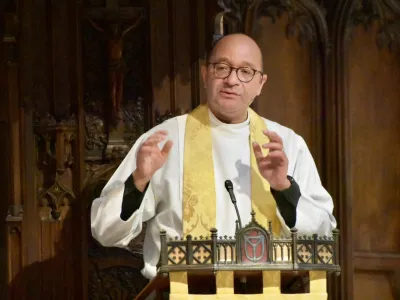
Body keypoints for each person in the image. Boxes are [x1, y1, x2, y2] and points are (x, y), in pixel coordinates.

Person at [90, 33, 337, 280]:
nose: (232, 80)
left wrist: (284, 188)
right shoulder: (164, 140)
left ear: (261, 83)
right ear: (205, 74)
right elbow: (105, 231)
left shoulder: (287, 145)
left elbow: (322, 234)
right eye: (222, 68)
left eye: (246, 71)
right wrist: (138, 181)